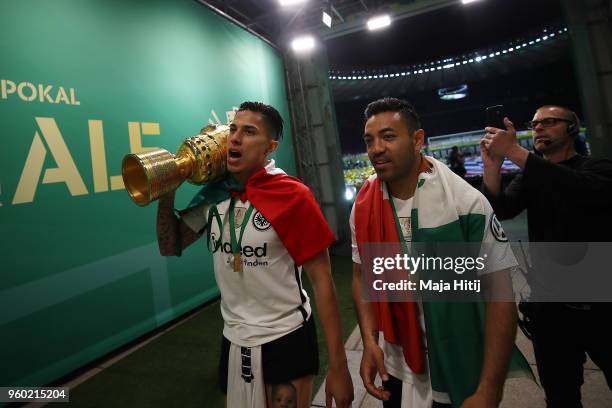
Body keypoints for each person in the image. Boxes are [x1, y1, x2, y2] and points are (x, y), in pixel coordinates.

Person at [156, 101, 353, 408]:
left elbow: (323, 282)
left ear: (269, 147)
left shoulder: (292, 195)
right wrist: (167, 188)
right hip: (233, 338)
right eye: (233, 129)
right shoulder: (215, 195)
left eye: (249, 132)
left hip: (284, 335)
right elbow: (170, 246)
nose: (235, 138)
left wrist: (339, 368)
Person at [350, 97, 531, 407]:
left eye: (389, 136)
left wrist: (489, 390)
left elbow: (500, 297)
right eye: (370, 140)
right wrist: (369, 341)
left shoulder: (466, 203)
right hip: (394, 365)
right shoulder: (364, 204)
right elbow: (361, 275)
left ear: (417, 139)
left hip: (458, 364)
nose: (377, 148)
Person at [480, 105, 612, 407]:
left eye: (549, 122)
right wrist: (492, 166)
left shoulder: (598, 168)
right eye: (535, 123)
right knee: (560, 395)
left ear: (571, 129)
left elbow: (577, 187)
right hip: (552, 308)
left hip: (604, 305)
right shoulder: (532, 178)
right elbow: (500, 212)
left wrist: (516, 152)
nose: (538, 128)